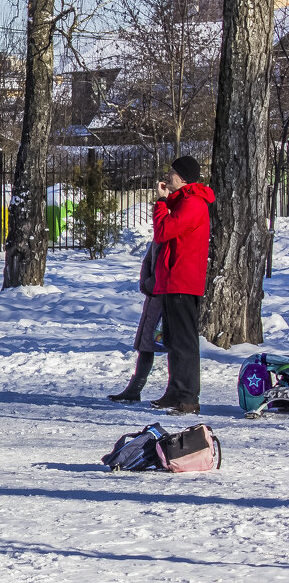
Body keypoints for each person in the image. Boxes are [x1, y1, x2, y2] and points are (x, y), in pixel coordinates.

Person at [149, 155, 214, 415]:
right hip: (172, 281)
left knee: (185, 342)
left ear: (184, 178)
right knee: (173, 340)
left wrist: (161, 202)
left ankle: (188, 398)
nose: (167, 176)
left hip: (183, 282)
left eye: (172, 172)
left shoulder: (193, 203)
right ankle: (175, 391)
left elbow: (163, 232)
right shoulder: (183, 201)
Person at [107, 241, 164, 402]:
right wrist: (146, 282)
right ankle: (135, 388)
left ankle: (177, 392)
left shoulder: (171, 231)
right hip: (153, 295)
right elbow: (148, 260)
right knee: (145, 344)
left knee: (171, 345)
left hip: (165, 295)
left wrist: (152, 283)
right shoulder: (161, 233)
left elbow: (165, 265)